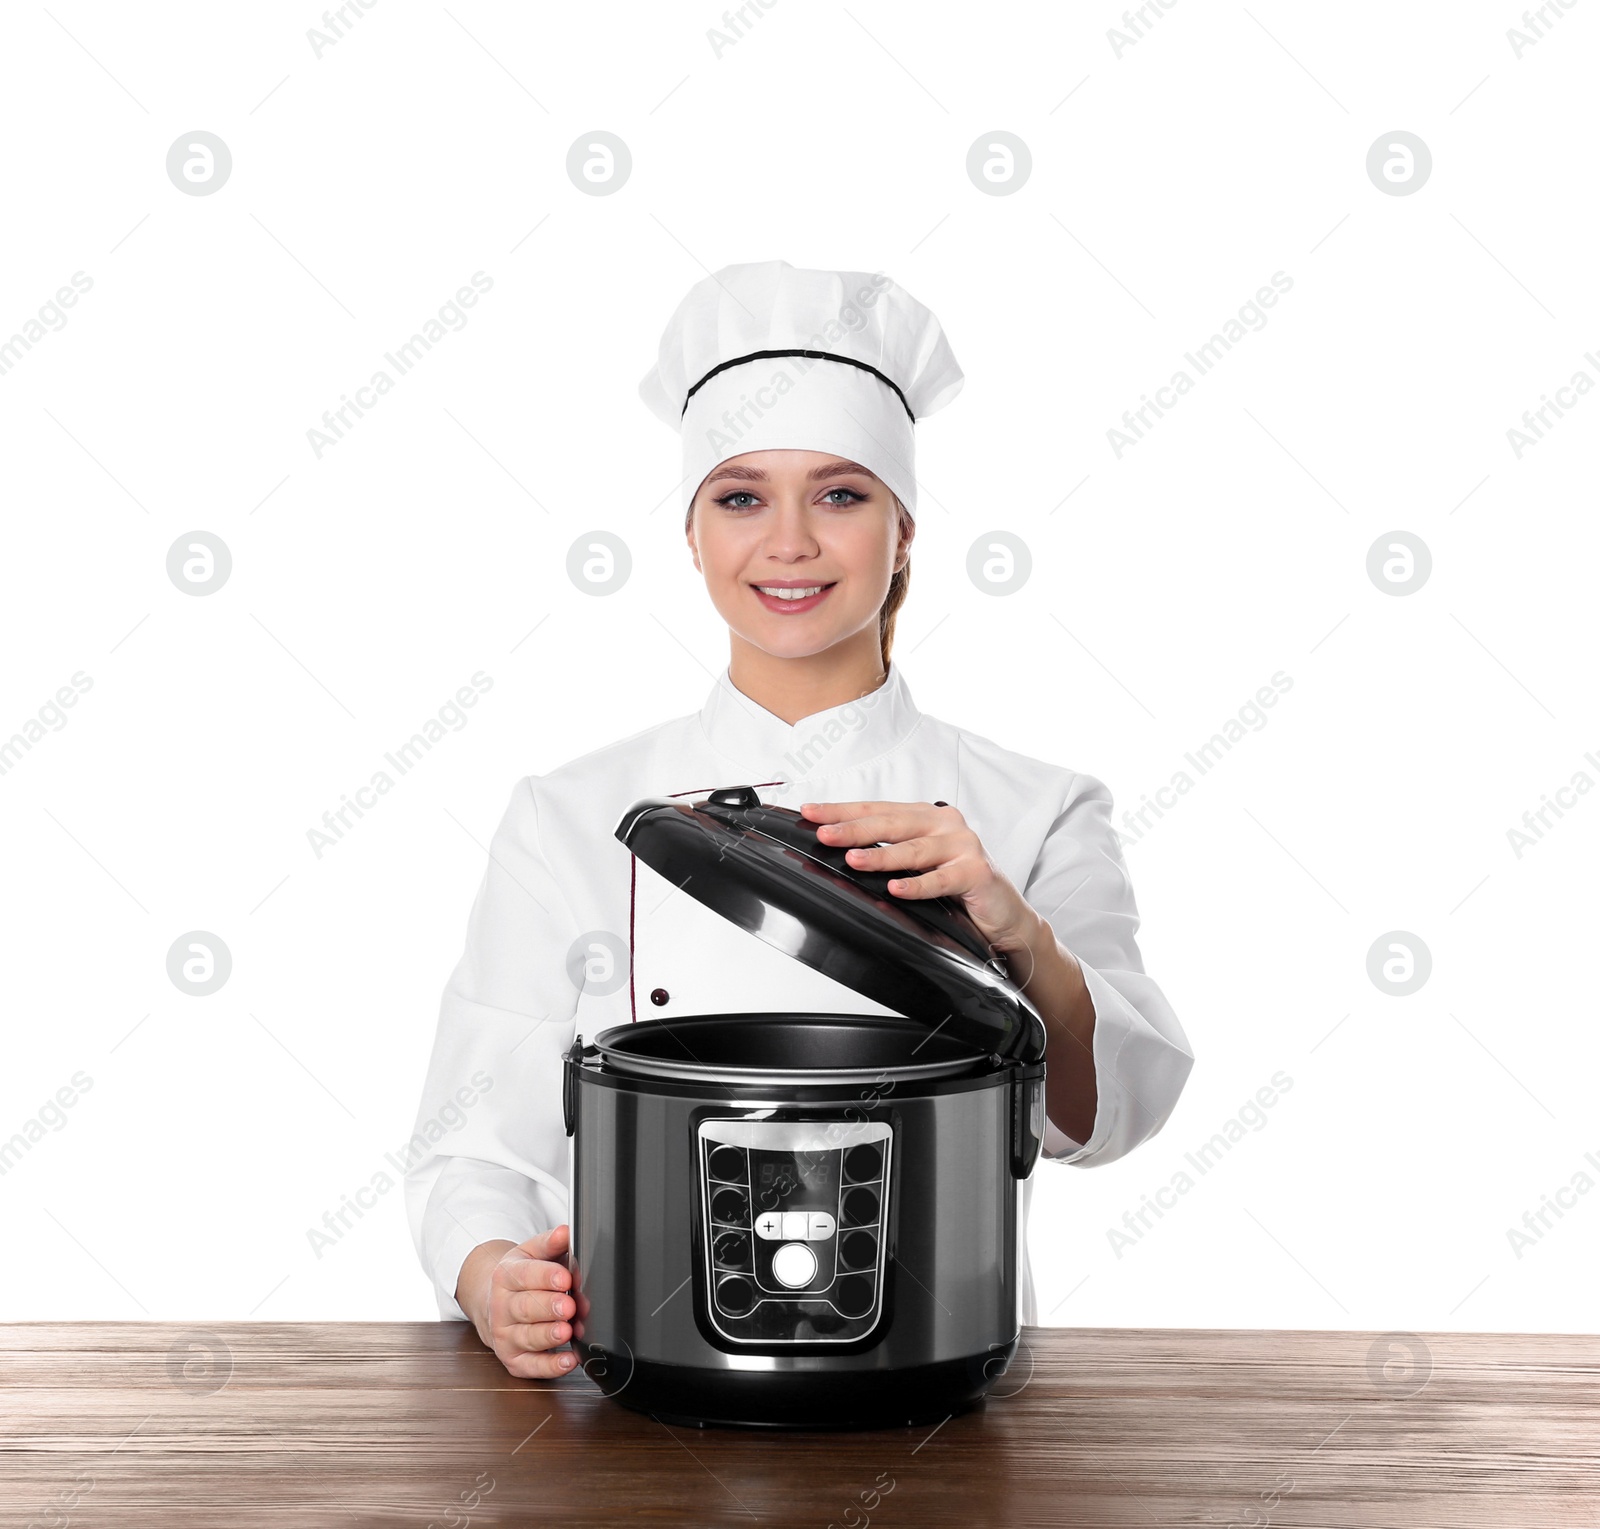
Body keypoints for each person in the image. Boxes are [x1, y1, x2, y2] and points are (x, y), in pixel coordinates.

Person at [403, 259, 1194, 1380]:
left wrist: (1015, 933)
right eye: (738, 497)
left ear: (905, 527)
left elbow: (1107, 1119)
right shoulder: (567, 818)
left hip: (941, 1384)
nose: (787, 543)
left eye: (838, 493)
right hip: (647, 1386)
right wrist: (491, 1276)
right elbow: (471, 1144)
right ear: (689, 533)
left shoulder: (1035, 809)